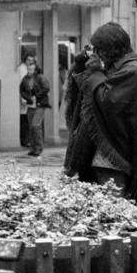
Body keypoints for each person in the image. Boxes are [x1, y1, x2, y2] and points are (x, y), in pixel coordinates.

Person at [74, 22, 137, 203]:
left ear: (111, 49)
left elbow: (105, 101)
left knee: (113, 206)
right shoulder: (120, 68)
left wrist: (95, 71)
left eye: (100, 50)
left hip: (114, 154)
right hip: (104, 152)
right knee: (101, 207)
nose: (97, 54)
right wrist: (81, 65)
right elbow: (88, 91)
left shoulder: (132, 71)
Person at [63, 47, 91, 176]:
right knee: (78, 137)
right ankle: (72, 167)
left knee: (75, 137)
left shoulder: (75, 72)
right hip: (81, 110)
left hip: (77, 110)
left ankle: (71, 167)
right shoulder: (82, 73)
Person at [19, 56, 51, 157]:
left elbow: (46, 88)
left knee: (35, 126)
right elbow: (22, 90)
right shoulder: (25, 79)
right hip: (30, 105)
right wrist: (28, 98)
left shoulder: (40, 77)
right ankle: (32, 148)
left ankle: (38, 148)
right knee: (31, 127)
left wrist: (36, 96)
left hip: (40, 104)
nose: (29, 70)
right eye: (28, 68)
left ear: (35, 68)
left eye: (31, 68)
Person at [17, 54, 35, 147]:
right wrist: (22, 98)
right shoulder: (22, 69)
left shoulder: (28, 69)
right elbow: (21, 85)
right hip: (24, 99)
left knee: (26, 120)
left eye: (31, 60)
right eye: (28, 59)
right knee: (24, 121)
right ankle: (24, 140)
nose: (30, 61)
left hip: (28, 98)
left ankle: (26, 139)